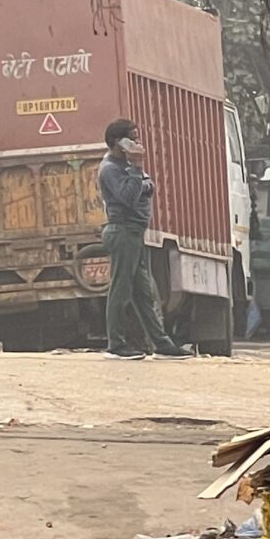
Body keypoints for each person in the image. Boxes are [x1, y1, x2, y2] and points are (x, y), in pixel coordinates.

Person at [98, 118, 187, 359]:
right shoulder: (110, 169)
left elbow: (149, 187)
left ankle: (162, 343)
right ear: (118, 142)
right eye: (133, 137)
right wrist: (137, 170)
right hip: (122, 231)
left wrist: (139, 178)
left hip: (135, 232)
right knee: (121, 290)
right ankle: (116, 344)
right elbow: (128, 196)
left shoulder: (125, 165)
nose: (138, 142)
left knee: (143, 294)